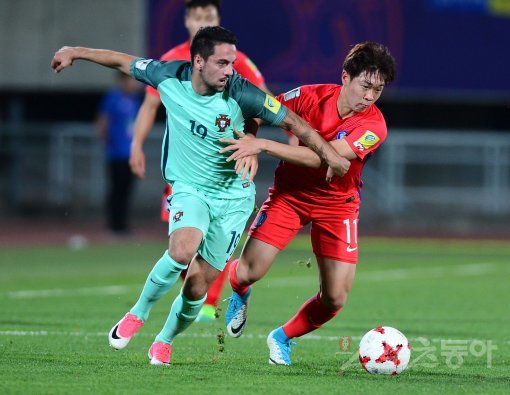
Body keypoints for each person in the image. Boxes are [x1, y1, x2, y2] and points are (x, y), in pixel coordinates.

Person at [51, 26, 349, 366]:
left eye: (232, 63)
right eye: (222, 63)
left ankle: (164, 340)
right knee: (182, 249)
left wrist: (330, 156)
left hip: (233, 199)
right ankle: (138, 312)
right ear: (197, 61)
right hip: (189, 189)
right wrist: (75, 50)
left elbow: (297, 124)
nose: (229, 71)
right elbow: (122, 62)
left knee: (196, 288)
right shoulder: (167, 75)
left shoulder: (243, 93)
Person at [220, 41, 396, 365]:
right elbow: (261, 108)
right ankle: (240, 292)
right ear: (346, 76)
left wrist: (262, 145)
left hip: (338, 205)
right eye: (365, 86)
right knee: (248, 271)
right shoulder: (308, 96)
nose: (370, 96)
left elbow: (323, 158)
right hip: (290, 195)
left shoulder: (374, 126)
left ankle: (282, 336)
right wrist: (250, 135)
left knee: (335, 298)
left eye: (378, 90)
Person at [130, 0, 276, 323]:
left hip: (222, 168)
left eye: (208, 16)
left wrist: (251, 143)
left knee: (211, 239)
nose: (201, 21)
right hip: (183, 167)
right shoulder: (171, 60)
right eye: (197, 16)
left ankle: (207, 302)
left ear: (217, 19)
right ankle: (193, 297)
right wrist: (136, 144)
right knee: (182, 245)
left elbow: (264, 102)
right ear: (186, 21)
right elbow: (149, 106)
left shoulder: (232, 63)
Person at [95, 72, 141, 236]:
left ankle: (123, 224)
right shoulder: (113, 98)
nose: (134, 84)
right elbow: (102, 120)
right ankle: (114, 226)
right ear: (122, 80)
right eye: (130, 80)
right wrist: (105, 141)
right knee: (116, 189)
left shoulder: (135, 100)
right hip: (116, 153)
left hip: (131, 153)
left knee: (127, 189)